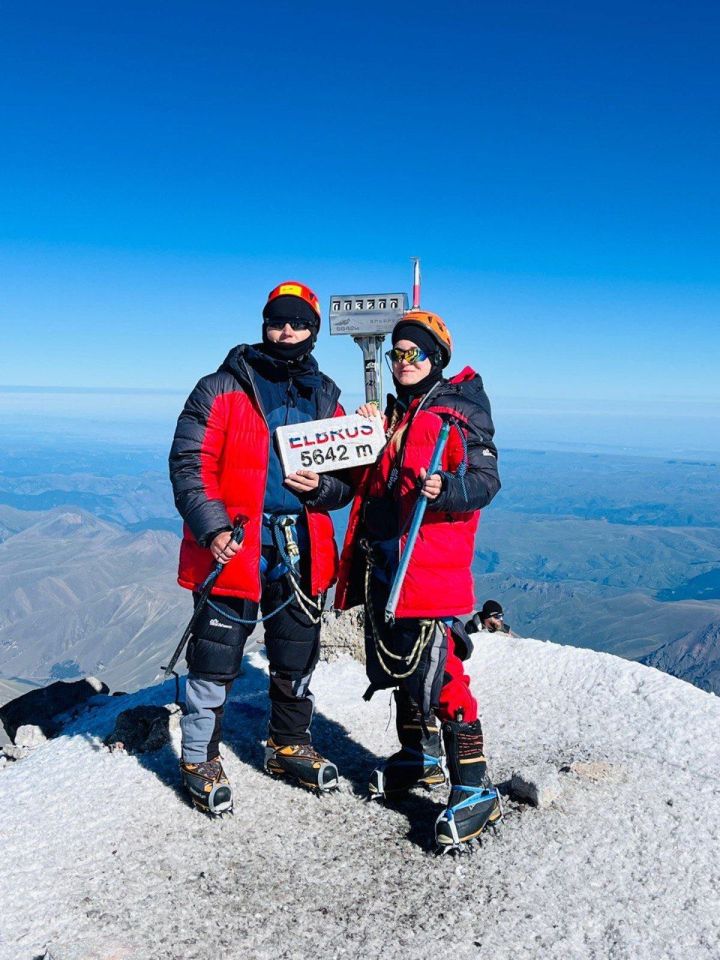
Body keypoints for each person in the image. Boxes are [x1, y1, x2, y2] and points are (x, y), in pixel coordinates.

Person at [169, 281, 352, 814]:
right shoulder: (220, 387)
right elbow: (189, 465)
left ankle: (287, 744)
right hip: (233, 546)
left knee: (296, 654)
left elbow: (349, 480)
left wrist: (322, 489)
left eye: (298, 322)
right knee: (214, 657)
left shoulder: (327, 396)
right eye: (278, 320)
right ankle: (199, 756)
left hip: (302, 546)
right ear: (264, 324)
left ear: (313, 331)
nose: (287, 330)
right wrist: (214, 528)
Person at [334, 308, 503, 850]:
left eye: (415, 354)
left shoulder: (457, 413)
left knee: (440, 671)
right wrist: (362, 437)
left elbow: (485, 479)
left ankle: (476, 786)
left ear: (435, 359)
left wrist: (446, 489)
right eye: (397, 354)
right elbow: (372, 482)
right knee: (401, 663)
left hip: (427, 561)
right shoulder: (397, 414)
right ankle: (421, 756)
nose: (403, 362)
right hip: (386, 558)